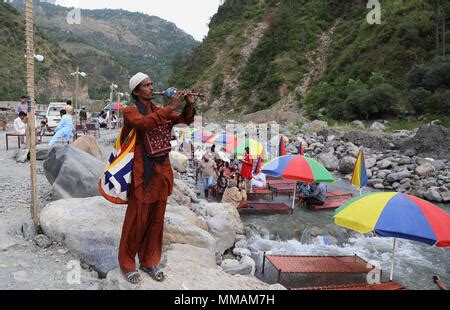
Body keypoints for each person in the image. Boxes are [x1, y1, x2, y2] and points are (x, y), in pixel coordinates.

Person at [118, 72, 195, 284]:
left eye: (152, 84)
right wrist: (172, 105)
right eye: (147, 85)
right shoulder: (130, 111)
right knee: (137, 219)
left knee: (156, 219)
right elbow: (144, 124)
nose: (152, 87)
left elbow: (183, 120)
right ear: (136, 91)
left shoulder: (158, 111)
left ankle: (149, 260)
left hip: (162, 172)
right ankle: (127, 263)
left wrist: (188, 105)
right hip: (142, 173)